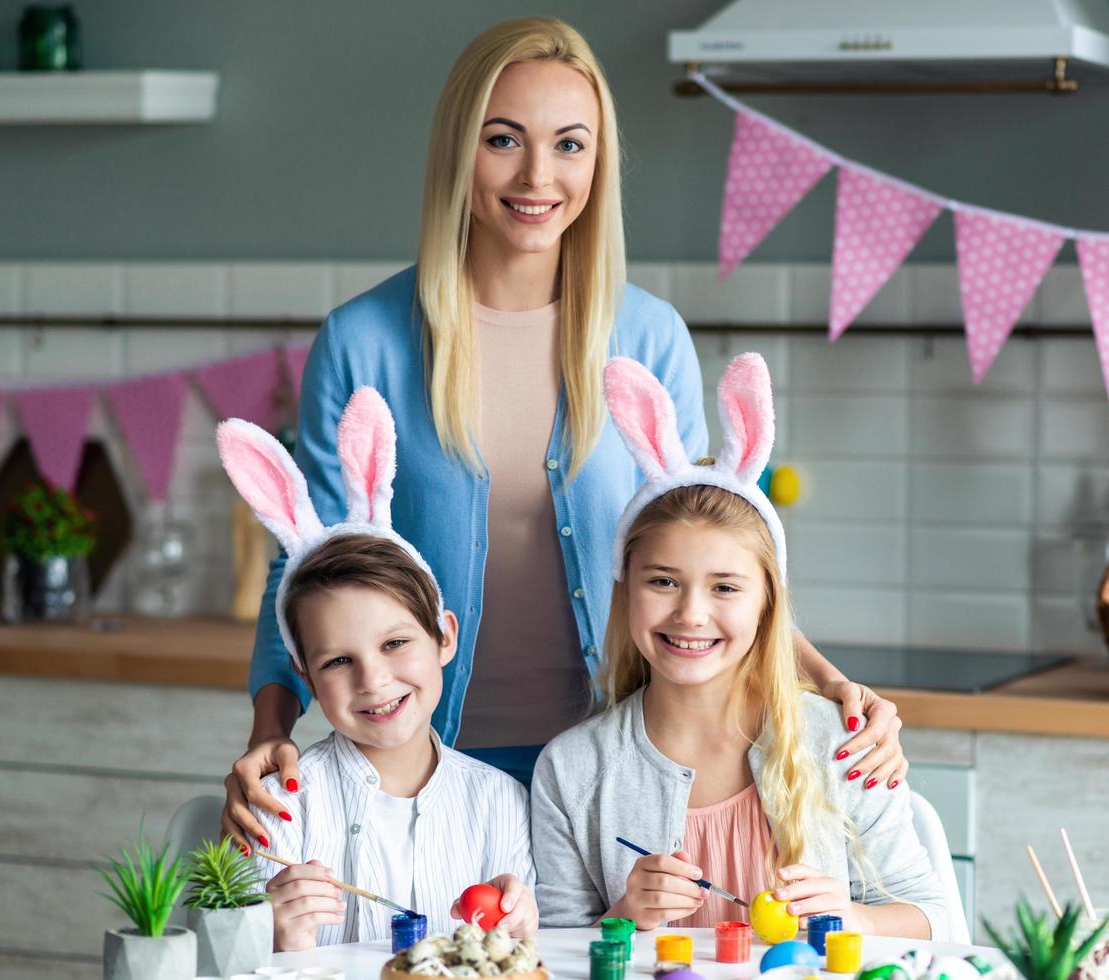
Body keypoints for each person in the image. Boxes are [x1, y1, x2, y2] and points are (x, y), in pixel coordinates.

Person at [222, 16, 907, 851]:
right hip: (422, 774)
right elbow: (304, 563)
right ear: (457, 151)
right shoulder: (364, 340)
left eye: (569, 145)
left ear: (599, 162)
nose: (538, 175)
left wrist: (833, 685)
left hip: (611, 775)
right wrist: (269, 727)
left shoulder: (648, 337)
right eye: (502, 139)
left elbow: (713, 555)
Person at [532, 355, 947, 939]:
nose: (690, 614)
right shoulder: (572, 769)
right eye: (662, 581)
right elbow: (549, 951)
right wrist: (620, 918)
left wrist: (853, 917)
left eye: (725, 587)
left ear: (767, 604)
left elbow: (937, 920)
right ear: (624, 592)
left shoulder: (840, 744)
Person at [217, 388, 536, 950]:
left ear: (445, 637)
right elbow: (228, 957)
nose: (373, 680)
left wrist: (518, 925)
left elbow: (518, 957)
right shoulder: (279, 808)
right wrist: (271, 938)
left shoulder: (501, 803)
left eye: (395, 643)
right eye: (339, 660)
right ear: (304, 674)